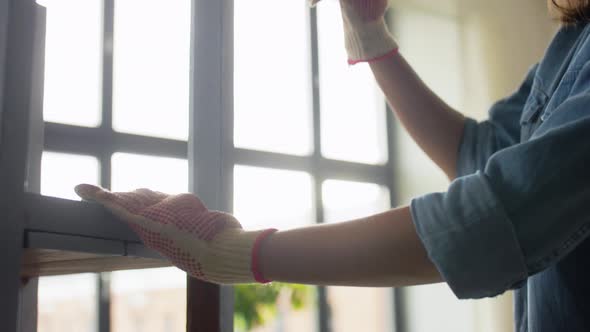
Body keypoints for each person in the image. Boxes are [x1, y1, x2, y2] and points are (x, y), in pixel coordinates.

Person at [75, 0, 590, 330]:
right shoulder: (572, 40)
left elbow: (500, 216)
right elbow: (484, 154)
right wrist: (370, 37)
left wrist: (232, 253)